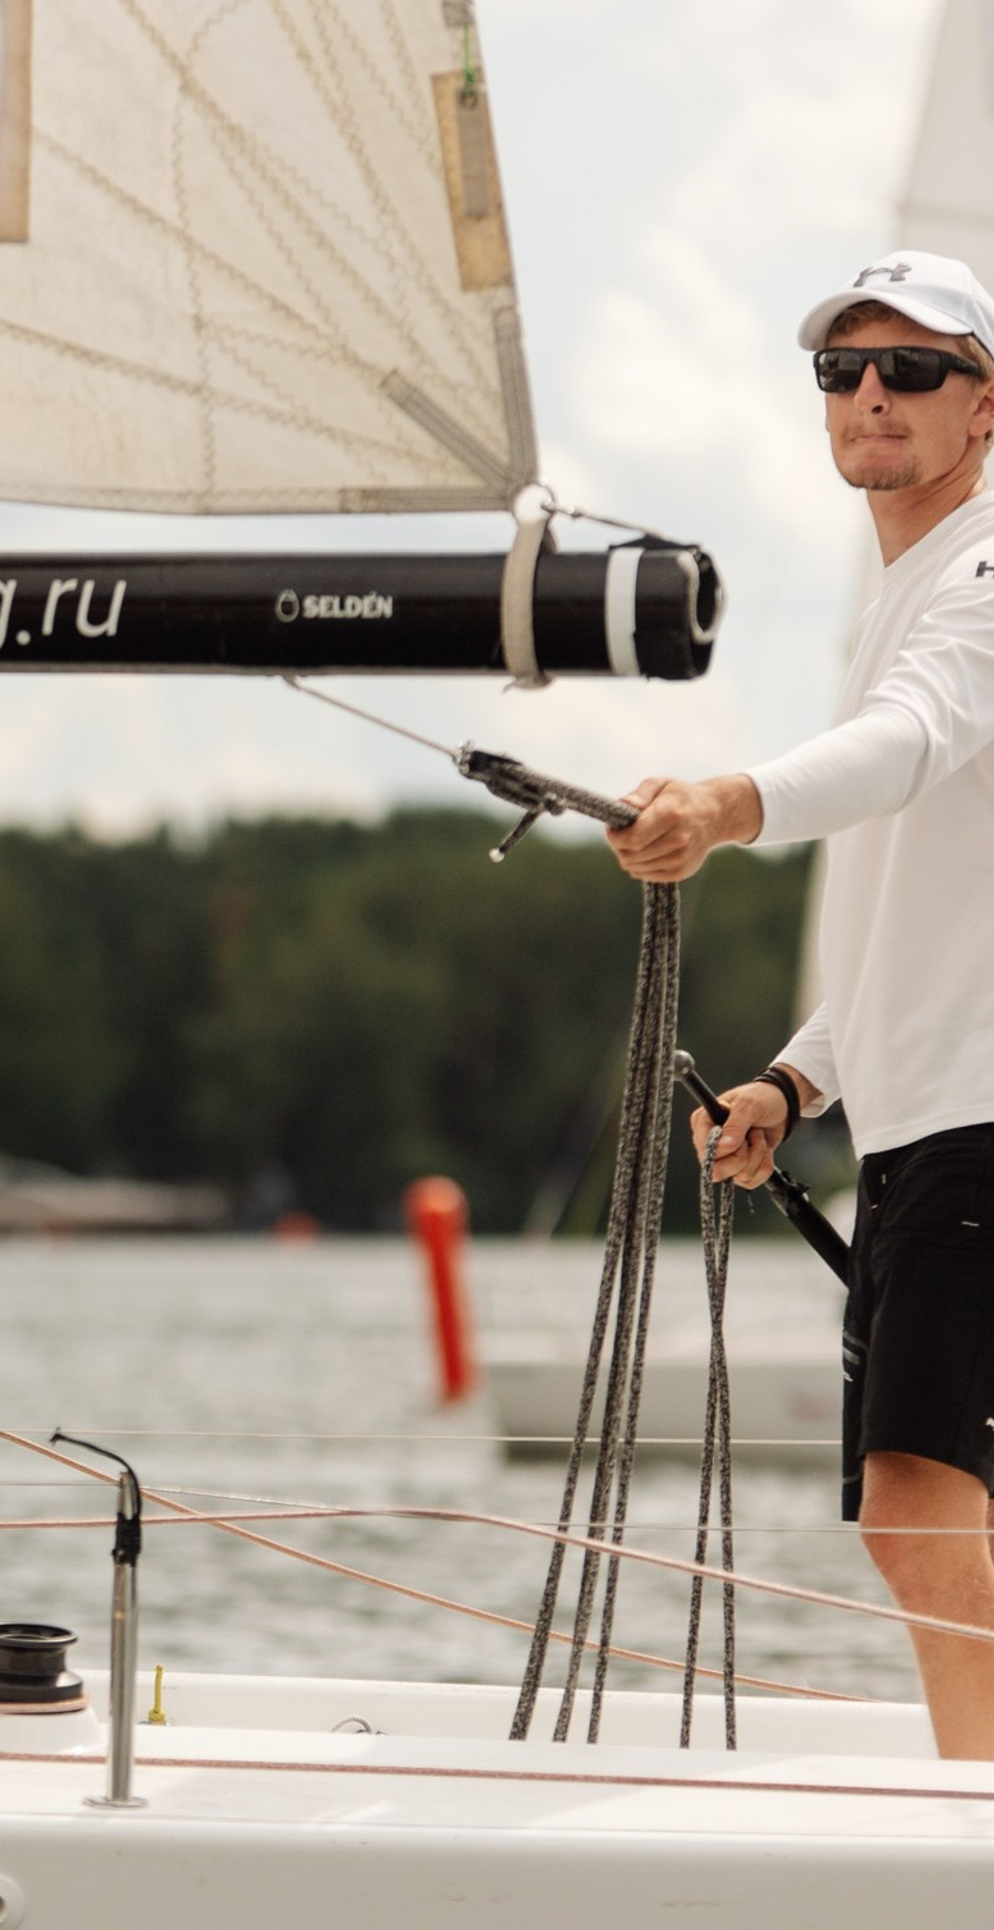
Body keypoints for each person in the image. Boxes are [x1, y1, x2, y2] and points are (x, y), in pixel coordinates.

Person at [607, 249, 994, 1757]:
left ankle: (971, 1831)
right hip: (923, 1123)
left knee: (914, 1515)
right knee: (928, 1518)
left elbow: (907, 743)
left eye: (914, 368)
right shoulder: (910, 588)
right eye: (845, 370)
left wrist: (724, 803)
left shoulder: (980, 578)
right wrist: (796, 1080)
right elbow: (913, 901)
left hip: (975, 1127)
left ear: (984, 405)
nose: (873, 395)